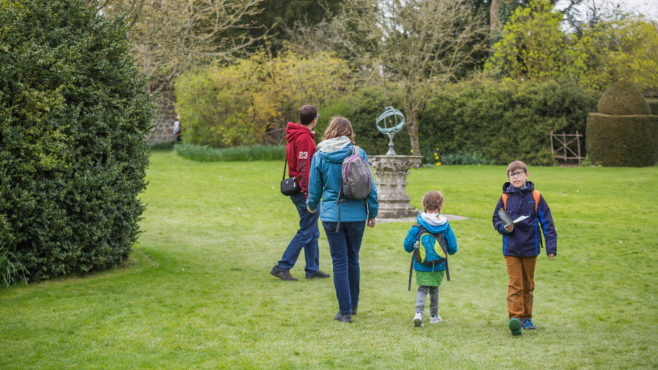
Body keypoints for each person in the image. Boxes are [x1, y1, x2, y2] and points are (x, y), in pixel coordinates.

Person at [307, 117, 378, 323]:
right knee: (352, 259)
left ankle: (344, 312)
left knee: (339, 262)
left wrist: (312, 207)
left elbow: (314, 190)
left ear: (330, 130)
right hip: (356, 215)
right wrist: (372, 212)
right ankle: (353, 305)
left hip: (331, 215)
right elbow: (370, 186)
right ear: (349, 132)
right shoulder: (358, 152)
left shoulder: (319, 155)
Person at [492, 160, 557, 336]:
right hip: (511, 249)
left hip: (531, 248)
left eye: (518, 173)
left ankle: (527, 318)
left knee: (527, 285)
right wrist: (503, 227)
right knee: (515, 284)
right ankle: (515, 319)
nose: (515, 177)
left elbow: (547, 223)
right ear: (509, 178)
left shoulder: (536, 196)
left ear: (526, 175)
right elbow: (497, 219)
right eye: (512, 175)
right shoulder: (505, 197)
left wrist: (551, 246)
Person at [270, 105, 330, 282]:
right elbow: (303, 169)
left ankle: (312, 269)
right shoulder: (304, 138)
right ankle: (282, 266)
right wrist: (308, 195)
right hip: (305, 191)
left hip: (300, 189)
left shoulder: (296, 134)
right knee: (306, 230)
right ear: (314, 119)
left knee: (312, 230)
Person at [403, 191, 458, 327]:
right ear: (440, 205)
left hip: (421, 264)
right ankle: (434, 316)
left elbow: (407, 246)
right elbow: (453, 248)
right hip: (439, 264)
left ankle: (418, 314)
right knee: (434, 289)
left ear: (424, 205)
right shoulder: (444, 225)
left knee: (422, 289)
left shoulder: (418, 224)